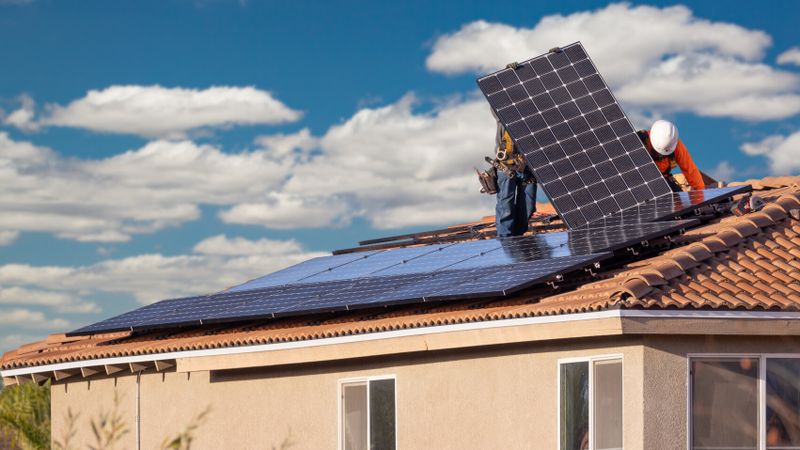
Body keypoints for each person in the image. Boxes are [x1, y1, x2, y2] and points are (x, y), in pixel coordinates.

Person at [492, 118, 537, 237]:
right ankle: (506, 241)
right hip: (506, 166)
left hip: (527, 167)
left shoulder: (533, 115)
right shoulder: (503, 114)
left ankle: (517, 239)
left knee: (529, 207)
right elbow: (496, 105)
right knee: (506, 209)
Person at [637, 120, 705, 192]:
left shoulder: (675, 145)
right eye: (657, 151)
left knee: (678, 200)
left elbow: (690, 170)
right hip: (640, 182)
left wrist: (702, 193)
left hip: (664, 181)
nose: (660, 155)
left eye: (664, 153)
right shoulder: (638, 142)